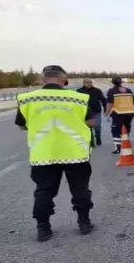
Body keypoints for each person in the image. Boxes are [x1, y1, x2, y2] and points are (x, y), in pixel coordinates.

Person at [15, 65, 95, 242]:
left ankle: (43, 228)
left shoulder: (27, 99)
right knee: (80, 188)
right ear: (64, 79)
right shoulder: (79, 98)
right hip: (75, 152)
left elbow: (22, 125)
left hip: (44, 154)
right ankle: (84, 223)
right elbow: (90, 122)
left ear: (43, 79)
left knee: (43, 191)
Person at [105, 77, 134, 155]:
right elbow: (133, 101)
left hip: (118, 113)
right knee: (126, 130)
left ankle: (118, 148)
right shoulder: (128, 90)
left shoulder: (111, 91)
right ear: (121, 82)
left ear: (112, 82)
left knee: (116, 131)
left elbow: (110, 104)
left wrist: (107, 113)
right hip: (129, 113)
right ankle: (126, 145)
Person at [76, 78, 107, 147]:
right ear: (83, 83)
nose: (89, 83)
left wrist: (105, 109)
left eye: (90, 82)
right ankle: (90, 142)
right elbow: (76, 102)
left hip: (96, 111)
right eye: (87, 82)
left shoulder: (97, 91)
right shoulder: (79, 91)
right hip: (84, 112)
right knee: (87, 127)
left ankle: (98, 138)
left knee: (97, 127)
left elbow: (103, 100)